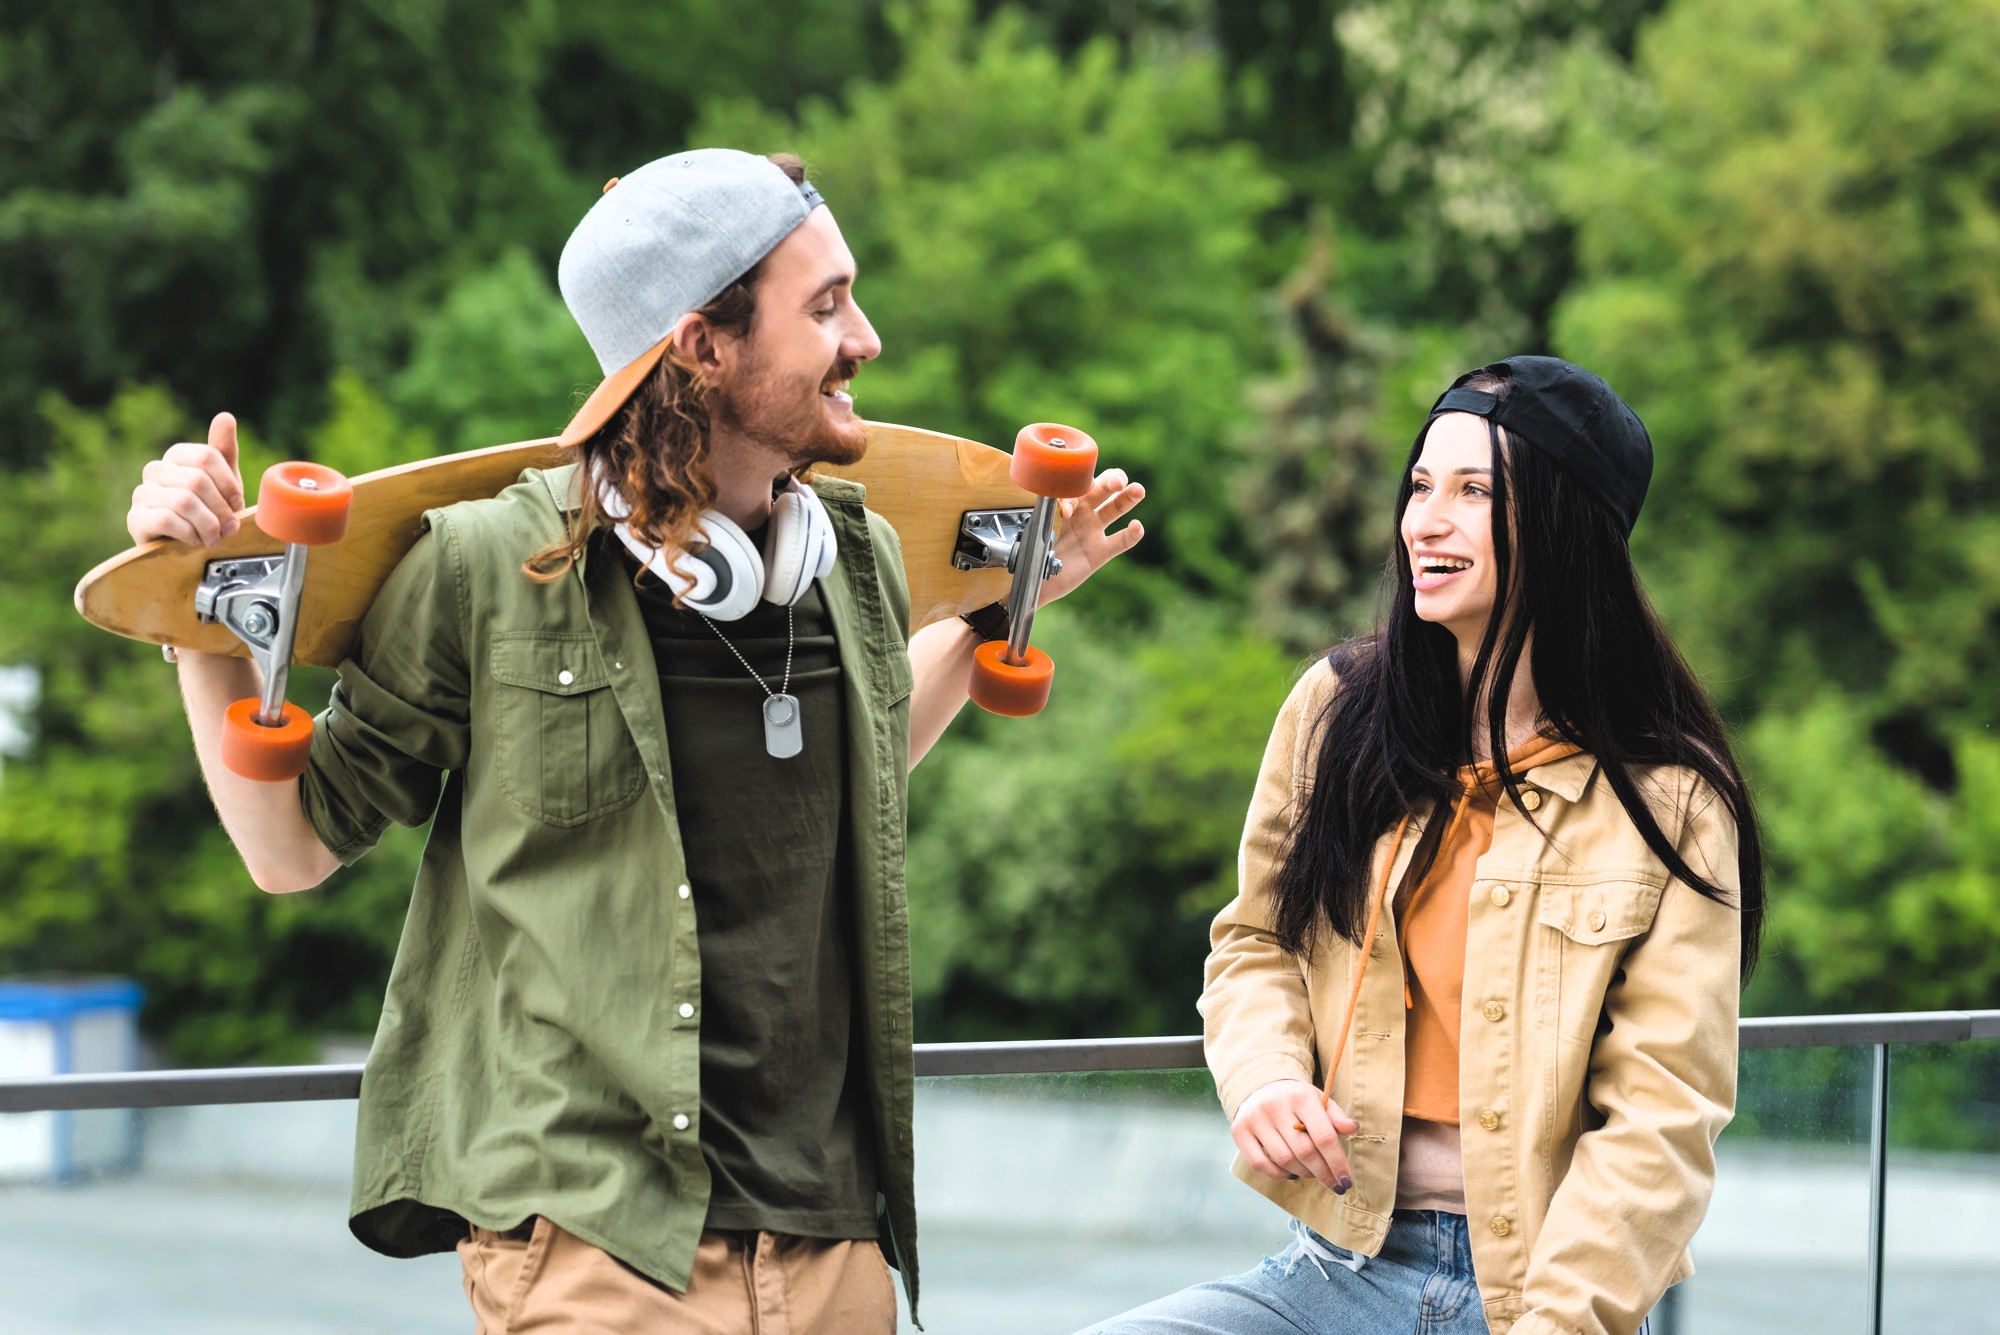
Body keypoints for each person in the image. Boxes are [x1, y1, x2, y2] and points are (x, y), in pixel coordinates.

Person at [125, 148, 1146, 1334]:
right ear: (702, 345)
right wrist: (199, 613)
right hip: (595, 1237)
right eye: (823, 307)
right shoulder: (482, 570)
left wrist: (994, 617)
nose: (863, 338)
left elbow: (858, 764)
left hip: (832, 1234)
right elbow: (289, 850)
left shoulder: (850, 559)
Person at [1081, 356, 1761, 1335]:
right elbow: (1256, 942)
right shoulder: (1334, 711)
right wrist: (1266, 1076)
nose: (1424, 522)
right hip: (1331, 1270)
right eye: (1419, 486)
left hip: (1543, 1297)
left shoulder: (1669, 796)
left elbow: (1660, 1120)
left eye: (1473, 491)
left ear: (1566, 527)